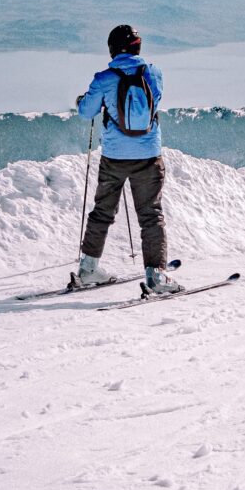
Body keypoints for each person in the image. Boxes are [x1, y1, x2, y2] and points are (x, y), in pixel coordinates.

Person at [73, 25, 183, 294]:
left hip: (114, 157)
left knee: (102, 212)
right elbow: (154, 102)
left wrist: (83, 100)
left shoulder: (103, 78)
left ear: (112, 49)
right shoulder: (154, 73)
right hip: (148, 156)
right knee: (150, 215)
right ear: (137, 47)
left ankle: (88, 269)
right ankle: (157, 276)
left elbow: (86, 112)